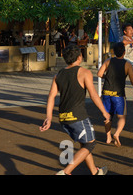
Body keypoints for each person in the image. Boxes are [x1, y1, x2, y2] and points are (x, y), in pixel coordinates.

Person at [39, 45, 110, 175]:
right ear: (79, 57)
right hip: (78, 116)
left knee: (84, 143)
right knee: (90, 144)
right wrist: (105, 112)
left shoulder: (58, 75)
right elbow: (93, 95)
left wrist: (48, 118)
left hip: (64, 118)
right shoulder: (84, 72)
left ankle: (95, 172)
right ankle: (65, 172)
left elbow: (51, 97)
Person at [98, 42, 133, 147]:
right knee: (121, 117)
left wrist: (107, 77)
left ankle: (108, 137)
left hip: (106, 92)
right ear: (124, 52)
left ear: (113, 52)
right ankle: (117, 134)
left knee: (107, 118)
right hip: (118, 94)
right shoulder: (127, 64)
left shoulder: (108, 61)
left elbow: (99, 74)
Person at [121, 23, 133, 104]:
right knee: (122, 82)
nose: (132, 31)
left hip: (132, 63)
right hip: (125, 63)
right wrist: (131, 42)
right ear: (125, 31)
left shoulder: (132, 38)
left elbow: (131, 49)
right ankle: (122, 98)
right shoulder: (123, 37)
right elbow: (123, 42)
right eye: (130, 29)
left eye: (132, 29)